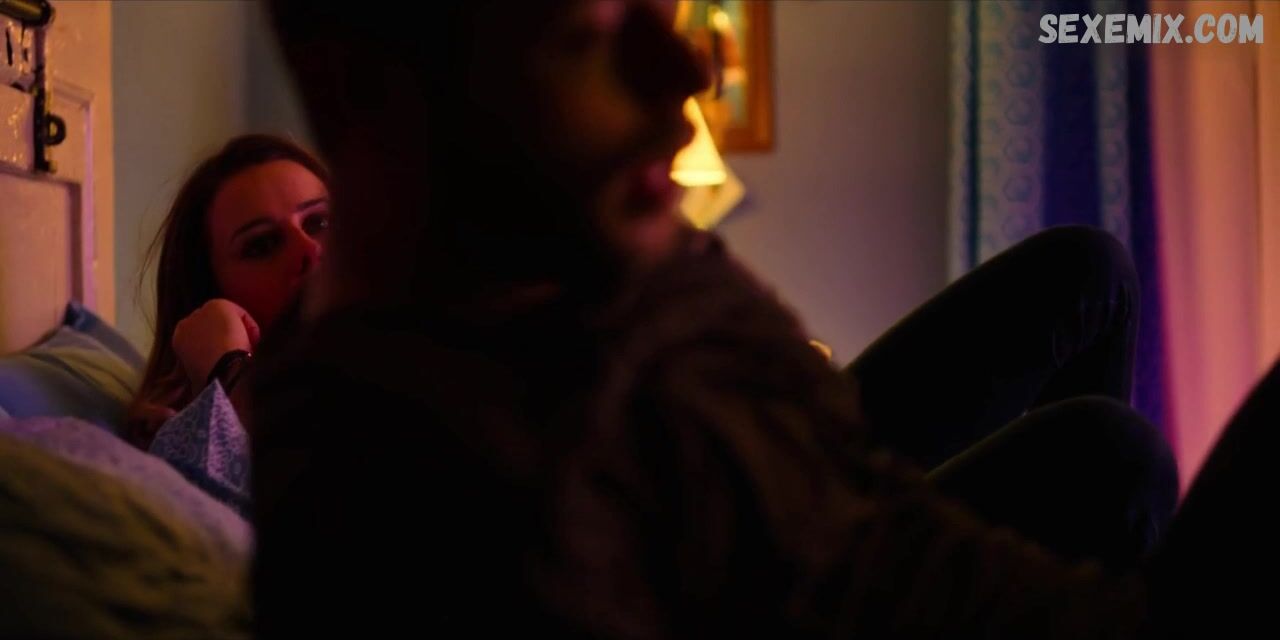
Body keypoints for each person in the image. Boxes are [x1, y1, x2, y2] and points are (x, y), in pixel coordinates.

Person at [248, 1, 1267, 637]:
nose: (687, 77)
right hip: (794, 564)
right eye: (586, 37)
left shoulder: (608, 278)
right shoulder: (403, 468)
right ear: (370, 107)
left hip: (819, 509)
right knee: (1112, 455)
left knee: (1086, 280)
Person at [124, 134, 329, 449]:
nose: (310, 250)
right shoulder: (185, 444)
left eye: (319, 222)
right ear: (210, 297)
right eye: (262, 244)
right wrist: (226, 371)